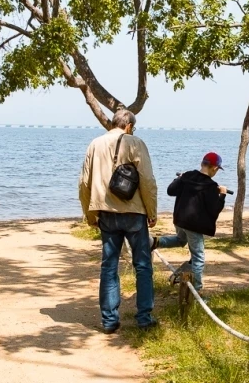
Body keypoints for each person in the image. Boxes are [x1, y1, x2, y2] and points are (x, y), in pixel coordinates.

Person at [78, 108, 159, 333]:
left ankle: (109, 320)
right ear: (129, 126)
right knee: (142, 265)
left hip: (106, 212)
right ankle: (144, 317)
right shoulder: (136, 143)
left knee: (109, 266)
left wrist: (90, 214)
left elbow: (84, 183)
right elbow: (148, 181)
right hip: (134, 213)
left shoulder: (95, 144)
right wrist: (152, 212)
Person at [155, 152, 226, 290]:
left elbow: (170, 190)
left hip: (180, 220)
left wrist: (180, 178)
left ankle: (154, 242)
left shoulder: (187, 176)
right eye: (217, 170)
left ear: (202, 163)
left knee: (180, 240)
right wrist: (222, 195)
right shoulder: (211, 186)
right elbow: (214, 209)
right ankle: (196, 290)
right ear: (214, 168)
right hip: (194, 225)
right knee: (198, 257)